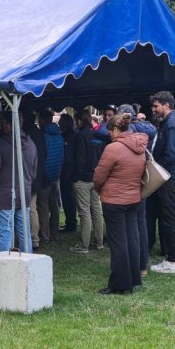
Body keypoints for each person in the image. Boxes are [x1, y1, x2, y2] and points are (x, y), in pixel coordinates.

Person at [94, 114, 147, 294]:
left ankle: (119, 284)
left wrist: (98, 188)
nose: (109, 134)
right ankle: (132, 279)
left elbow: (99, 176)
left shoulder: (113, 148)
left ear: (116, 130)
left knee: (118, 243)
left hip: (114, 200)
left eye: (109, 131)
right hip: (134, 198)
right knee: (132, 239)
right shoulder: (140, 145)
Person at [149, 91, 175, 274]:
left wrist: (156, 167)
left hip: (171, 177)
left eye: (156, 106)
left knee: (172, 220)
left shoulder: (172, 124)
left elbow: (172, 154)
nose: (153, 109)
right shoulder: (174, 122)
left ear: (167, 105)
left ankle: (172, 262)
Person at [0, 110, 37, 253]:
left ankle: (4, 270)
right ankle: (27, 264)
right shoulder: (31, 144)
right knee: (24, 233)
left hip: (4, 196)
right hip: (24, 193)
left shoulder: (0, 144)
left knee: (5, 235)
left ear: (7, 125)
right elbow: (34, 172)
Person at [117, 104, 157, 277]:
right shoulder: (147, 130)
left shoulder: (127, 133)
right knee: (141, 222)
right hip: (143, 179)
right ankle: (142, 264)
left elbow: (102, 131)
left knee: (129, 224)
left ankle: (132, 264)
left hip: (128, 182)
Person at [70, 109, 106, 254]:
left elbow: (80, 159)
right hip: (96, 177)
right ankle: (99, 242)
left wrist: (75, 177)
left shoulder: (80, 136)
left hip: (83, 178)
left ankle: (84, 245)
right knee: (97, 210)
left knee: (84, 212)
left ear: (79, 120)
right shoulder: (98, 135)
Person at [37, 109, 64, 243]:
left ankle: (45, 235)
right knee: (55, 205)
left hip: (45, 175)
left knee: (43, 205)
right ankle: (55, 233)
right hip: (56, 174)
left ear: (41, 120)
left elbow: (42, 157)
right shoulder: (59, 135)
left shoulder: (42, 136)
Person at [21, 109, 47, 249]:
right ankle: (35, 239)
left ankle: (29, 238)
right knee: (33, 209)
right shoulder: (39, 133)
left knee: (26, 209)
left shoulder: (25, 135)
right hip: (38, 174)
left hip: (26, 175)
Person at [58, 113, 77, 232]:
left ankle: (71, 223)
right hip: (70, 170)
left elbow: (68, 155)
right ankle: (71, 222)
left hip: (66, 170)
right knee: (70, 198)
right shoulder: (74, 134)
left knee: (67, 197)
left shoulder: (66, 136)